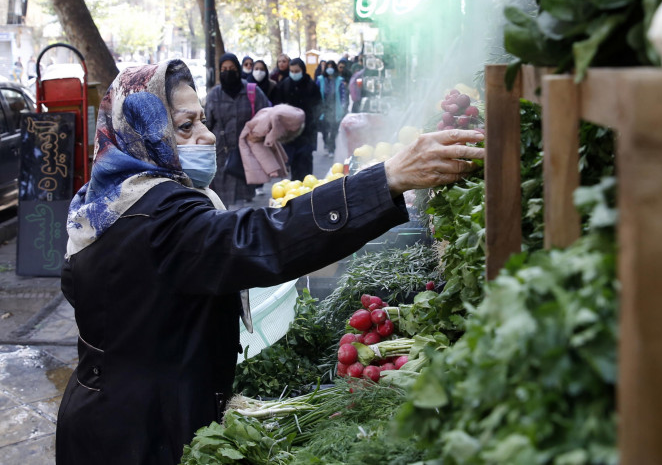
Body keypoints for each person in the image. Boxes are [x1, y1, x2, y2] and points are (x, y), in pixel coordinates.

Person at [54, 58, 484, 465]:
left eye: (202, 119)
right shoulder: (156, 218)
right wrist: (387, 178)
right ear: (140, 134)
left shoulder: (106, 202)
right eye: (185, 127)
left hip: (122, 413)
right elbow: (264, 238)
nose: (207, 135)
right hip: (133, 437)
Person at [205, 52, 270, 206]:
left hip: (246, 155)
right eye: (224, 69)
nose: (228, 72)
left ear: (238, 69)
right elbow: (206, 125)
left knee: (244, 203)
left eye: (232, 68)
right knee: (221, 202)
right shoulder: (214, 95)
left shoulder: (252, 91)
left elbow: (266, 116)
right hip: (221, 156)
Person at [271, 57, 321, 180]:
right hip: (290, 133)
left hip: (307, 131)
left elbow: (318, 105)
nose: (294, 74)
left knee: (306, 162)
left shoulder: (311, 85)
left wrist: (313, 120)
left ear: (302, 70)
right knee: (293, 164)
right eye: (291, 71)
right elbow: (278, 105)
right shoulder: (284, 85)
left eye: (296, 71)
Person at [316, 60, 348, 157]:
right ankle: (326, 144)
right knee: (324, 130)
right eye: (328, 66)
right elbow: (316, 94)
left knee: (334, 129)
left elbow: (343, 95)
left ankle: (332, 148)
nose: (330, 69)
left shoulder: (339, 80)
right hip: (323, 108)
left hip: (335, 108)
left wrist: (343, 107)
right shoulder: (320, 79)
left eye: (332, 67)